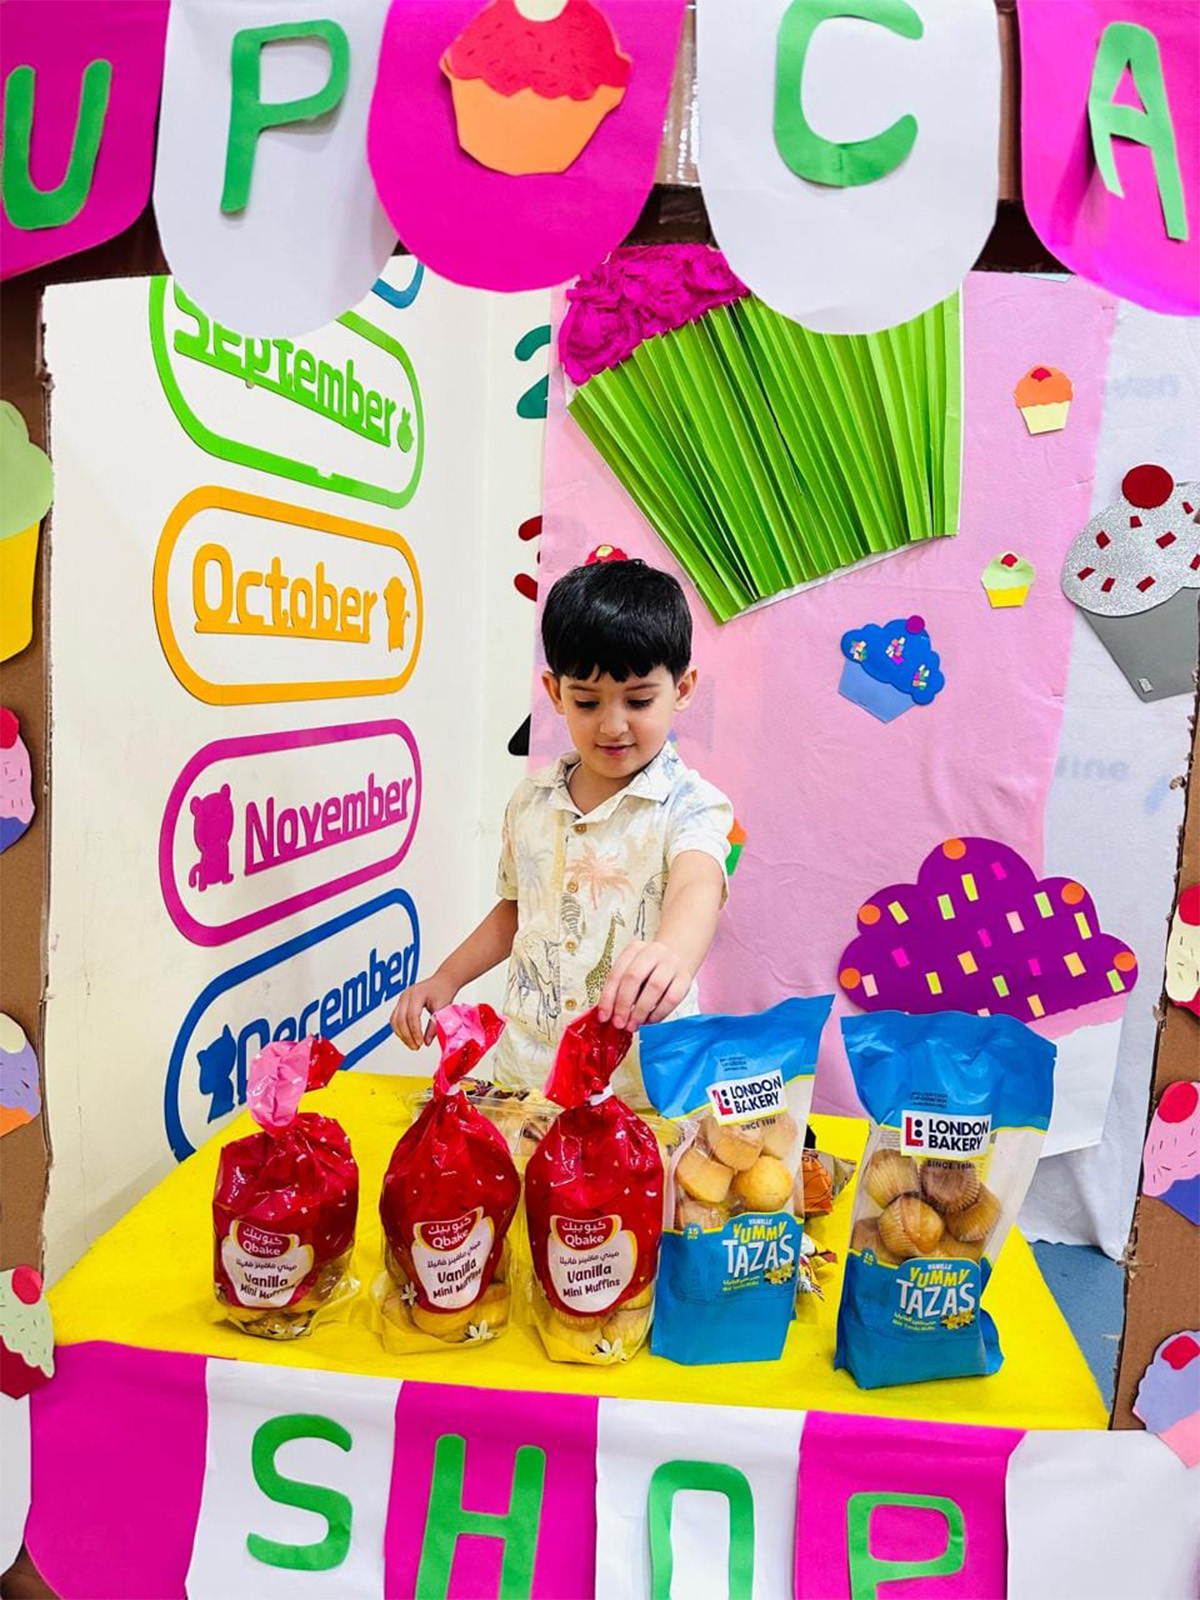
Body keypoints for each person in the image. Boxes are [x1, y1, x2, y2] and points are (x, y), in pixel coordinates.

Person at [391, 558, 733, 1100]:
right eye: (587, 701)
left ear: (683, 688)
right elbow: (518, 908)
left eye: (639, 700)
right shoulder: (531, 800)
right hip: (530, 1077)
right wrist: (447, 977)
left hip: (638, 1088)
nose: (613, 725)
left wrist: (673, 952)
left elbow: (699, 884)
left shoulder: (691, 805)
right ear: (554, 692)